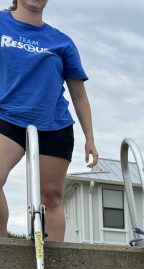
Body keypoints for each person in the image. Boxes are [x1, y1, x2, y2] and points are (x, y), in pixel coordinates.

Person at [0, 0, 98, 241]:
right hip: (8, 116)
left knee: (51, 197)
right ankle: (4, 251)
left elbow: (78, 94)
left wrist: (90, 138)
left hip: (53, 124)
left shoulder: (61, 41)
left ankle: (53, 266)